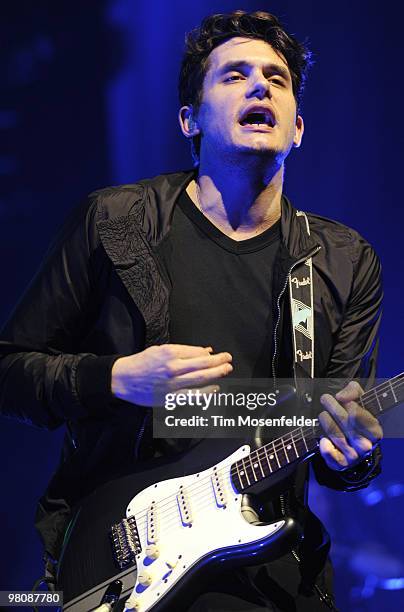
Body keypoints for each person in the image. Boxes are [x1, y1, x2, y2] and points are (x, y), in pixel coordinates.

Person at [0, 10, 383, 612]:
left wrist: (354, 456)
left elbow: (340, 436)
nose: (260, 86)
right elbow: (10, 372)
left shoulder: (343, 262)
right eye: (234, 76)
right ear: (190, 120)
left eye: (276, 79)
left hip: (270, 568)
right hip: (120, 551)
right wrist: (117, 378)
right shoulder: (113, 222)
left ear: (299, 128)